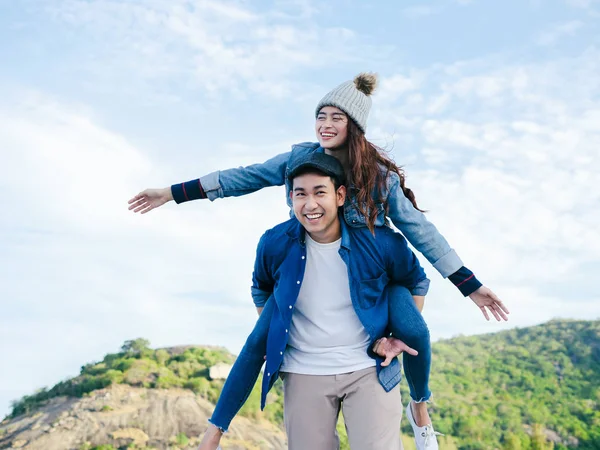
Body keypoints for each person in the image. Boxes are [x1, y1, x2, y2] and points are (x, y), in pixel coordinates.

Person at [128, 73, 510, 450]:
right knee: (259, 342)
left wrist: (470, 286)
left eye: (336, 118)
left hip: (374, 278)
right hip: (308, 282)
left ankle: (420, 406)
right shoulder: (300, 161)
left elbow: (420, 231)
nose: (325, 126)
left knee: (413, 328)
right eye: (321, 116)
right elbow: (243, 178)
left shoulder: (377, 178)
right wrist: (172, 193)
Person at [255, 151, 427, 449]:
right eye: (300, 194)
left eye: (319, 192)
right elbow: (262, 288)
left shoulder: (379, 240)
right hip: (303, 370)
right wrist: (277, 337)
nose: (310, 204)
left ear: (340, 195)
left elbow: (416, 280)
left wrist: (396, 338)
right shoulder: (274, 243)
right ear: (291, 200)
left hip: (368, 366)